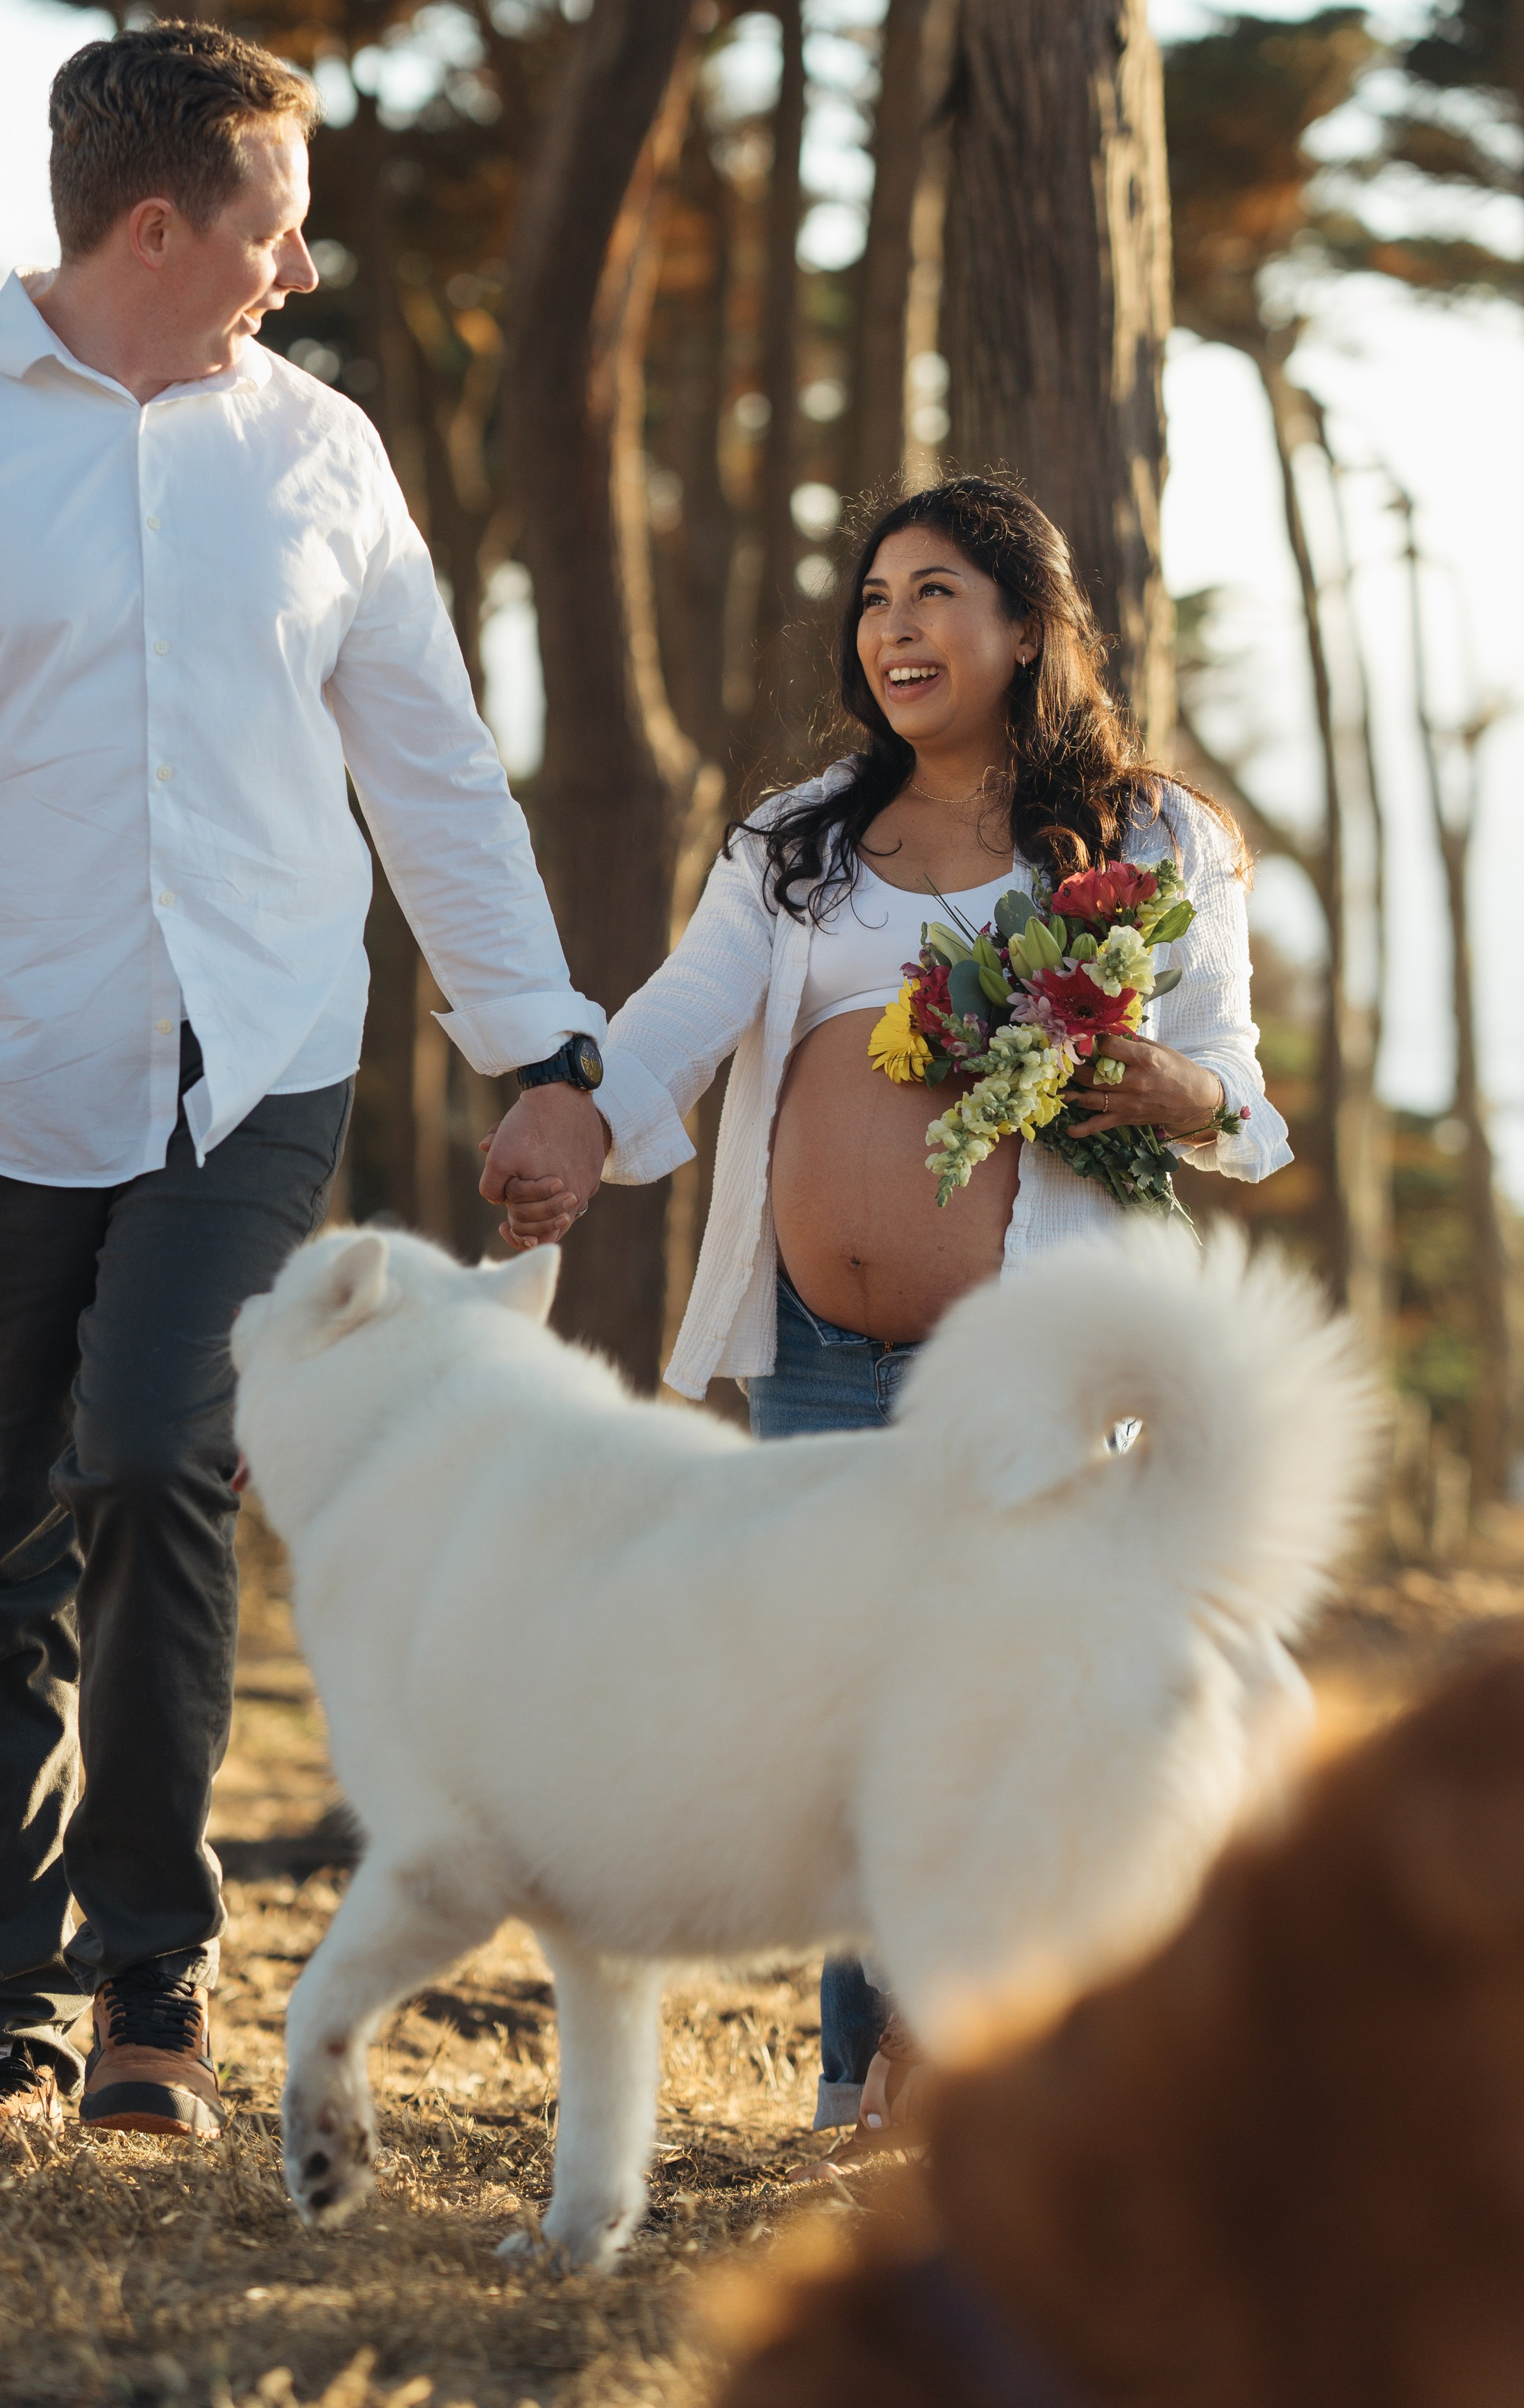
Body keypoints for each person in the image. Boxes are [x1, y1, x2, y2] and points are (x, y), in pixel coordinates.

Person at [0, 22, 617, 2155]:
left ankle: (158, 1983)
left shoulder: (320, 456)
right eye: (277, 225)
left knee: (151, 1455)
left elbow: (429, 766)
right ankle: (3, 2032)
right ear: (161, 223)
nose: (301, 267)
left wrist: (548, 1048)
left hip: (257, 1060)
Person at [495, 475, 1291, 2170]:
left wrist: (1167, 1087)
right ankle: (857, 2104)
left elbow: (1237, 1096)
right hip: (813, 1354)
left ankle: (978, 2081)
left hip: (1024, 1365)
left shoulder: (1150, 843)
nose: (892, 627)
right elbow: (674, 1027)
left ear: (1024, 627)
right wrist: (570, 1116)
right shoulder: (795, 843)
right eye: (870, 600)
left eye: (933, 593)